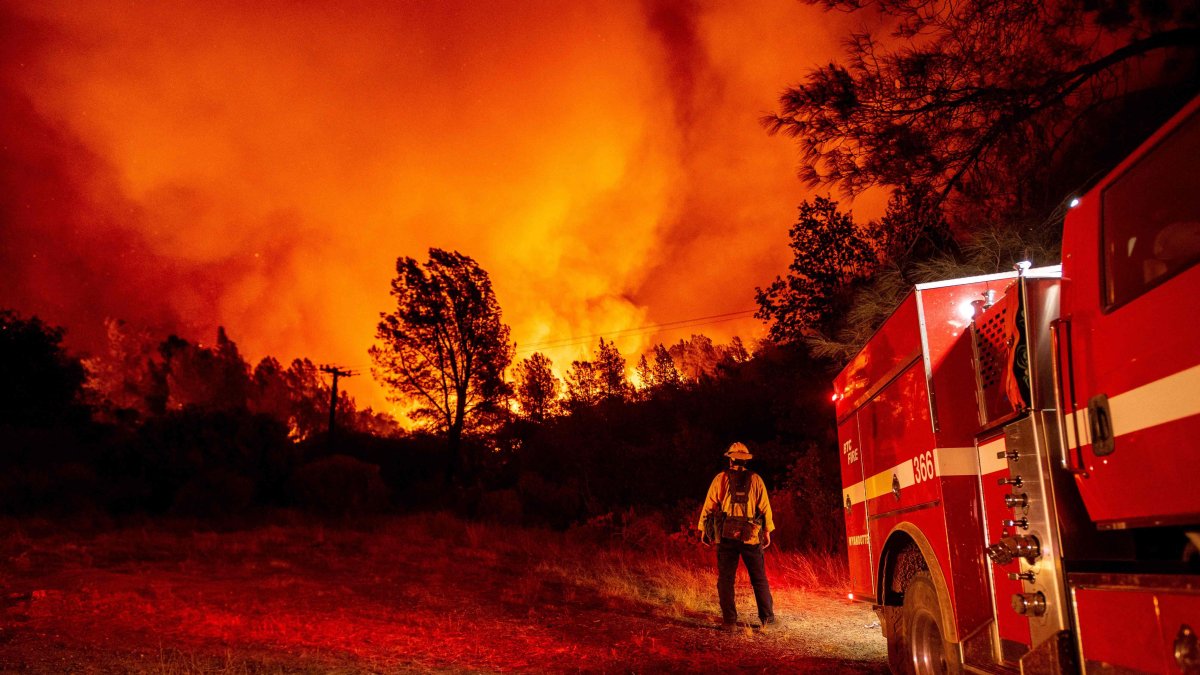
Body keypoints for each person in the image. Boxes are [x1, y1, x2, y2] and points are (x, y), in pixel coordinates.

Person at [697, 442, 776, 630]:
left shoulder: (720, 479)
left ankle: (729, 622)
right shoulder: (756, 479)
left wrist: (703, 530)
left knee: (726, 579)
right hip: (751, 534)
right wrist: (767, 531)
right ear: (746, 460)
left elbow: (709, 505)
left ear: (731, 458)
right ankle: (767, 619)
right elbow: (765, 508)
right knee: (759, 578)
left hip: (726, 535)